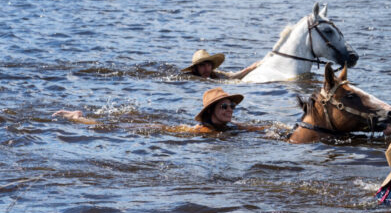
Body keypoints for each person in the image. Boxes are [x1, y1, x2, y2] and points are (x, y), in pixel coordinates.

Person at [52, 87, 265, 135]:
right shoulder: (201, 130)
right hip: (166, 129)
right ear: (211, 111)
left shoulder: (232, 126)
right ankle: (78, 118)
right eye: (224, 106)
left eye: (232, 106)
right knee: (117, 127)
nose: (230, 110)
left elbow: (254, 128)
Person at [183, 49, 260, 80]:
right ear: (195, 69)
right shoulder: (188, 78)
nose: (206, 69)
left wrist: (250, 68)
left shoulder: (215, 74)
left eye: (208, 65)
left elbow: (232, 76)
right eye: (202, 65)